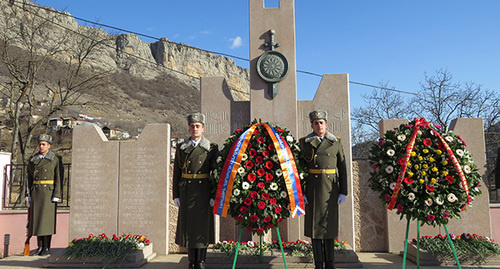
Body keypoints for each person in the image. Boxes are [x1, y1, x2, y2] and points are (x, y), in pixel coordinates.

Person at [299, 110, 348, 269]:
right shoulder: (305, 142)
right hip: (313, 189)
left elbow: (342, 168)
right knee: (315, 228)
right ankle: (318, 263)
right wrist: (302, 192)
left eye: (321, 122)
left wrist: (343, 191)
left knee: (329, 226)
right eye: (316, 122)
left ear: (326, 124)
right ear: (311, 125)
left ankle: (330, 262)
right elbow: (300, 169)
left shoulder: (336, 142)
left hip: (331, 189)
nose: (319, 125)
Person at [173, 113, 218, 269]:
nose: (195, 129)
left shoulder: (211, 148)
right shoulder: (182, 147)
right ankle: (191, 260)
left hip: (203, 191)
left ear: (203, 129)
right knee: (189, 228)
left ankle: (201, 261)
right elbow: (177, 173)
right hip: (186, 191)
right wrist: (176, 195)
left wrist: (213, 195)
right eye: (192, 126)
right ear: (189, 128)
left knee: (202, 227)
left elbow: (215, 174)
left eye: (197, 126)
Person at [26, 134, 63, 256]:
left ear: (49, 146)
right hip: (36, 191)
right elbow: (29, 178)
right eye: (40, 144)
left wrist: (57, 193)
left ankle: (47, 247)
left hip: (48, 192)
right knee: (36, 220)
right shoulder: (33, 159)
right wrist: (28, 194)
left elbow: (59, 177)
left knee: (46, 221)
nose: (41, 146)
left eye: (43, 144)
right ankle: (40, 246)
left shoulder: (55, 159)